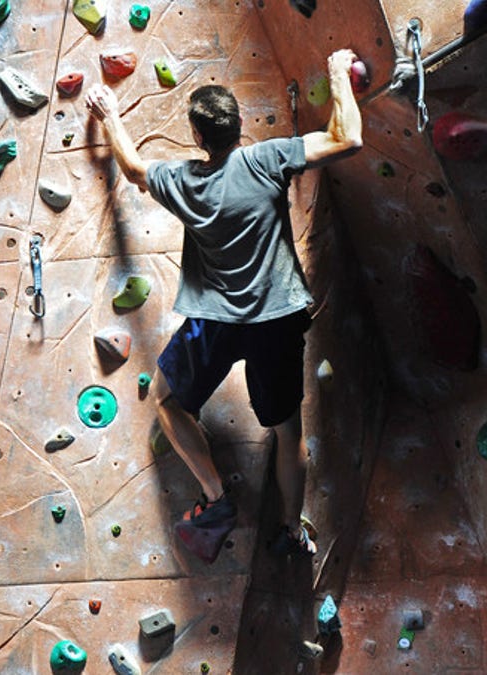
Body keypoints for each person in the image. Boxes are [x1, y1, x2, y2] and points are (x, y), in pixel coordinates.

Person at [85, 49, 364, 563]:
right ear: (240, 127)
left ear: (198, 138)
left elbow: (131, 168)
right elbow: (348, 138)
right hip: (276, 324)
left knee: (167, 401)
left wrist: (110, 116)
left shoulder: (183, 179)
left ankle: (216, 497)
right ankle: (292, 533)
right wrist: (337, 73)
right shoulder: (267, 158)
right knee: (287, 433)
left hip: (214, 322)